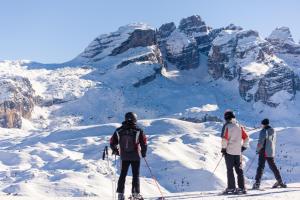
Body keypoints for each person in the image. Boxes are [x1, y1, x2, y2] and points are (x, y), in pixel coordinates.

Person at [110, 112, 147, 200]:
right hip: (135, 156)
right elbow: (144, 143)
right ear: (135, 119)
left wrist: (115, 150)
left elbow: (112, 142)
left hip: (124, 156)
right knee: (135, 175)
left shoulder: (119, 130)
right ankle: (135, 194)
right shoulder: (138, 130)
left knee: (123, 175)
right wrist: (143, 153)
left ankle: (120, 194)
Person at [252, 118, 287, 189]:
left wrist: (258, 150)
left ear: (263, 124)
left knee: (260, 167)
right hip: (270, 151)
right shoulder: (273, 131)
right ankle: (280, 181)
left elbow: (261, 142)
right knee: (273, 166)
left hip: (263, 151)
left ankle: (257, 183)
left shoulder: (263, 131)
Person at [221, 110, 249, 194]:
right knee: (239, 171)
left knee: (230, 170)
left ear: (226, 118)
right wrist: (243, 147)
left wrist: (223, 149)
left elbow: (224, 139)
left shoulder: (227, 126)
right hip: (238, 152)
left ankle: (231, 188)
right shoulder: (239, 126)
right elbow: (246, 138)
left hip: (229, 152)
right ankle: (242, 188)